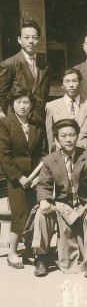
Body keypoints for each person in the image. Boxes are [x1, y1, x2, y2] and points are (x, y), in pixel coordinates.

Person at [32, 119, 87, 277]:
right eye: (63, 136)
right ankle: (42, 259)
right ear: (57, 139)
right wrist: (44, 200)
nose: (68, 139)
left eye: (72, 135)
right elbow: (43, 184)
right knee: (41, 213)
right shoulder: (49, 160)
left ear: (77, 136)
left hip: (83, 204)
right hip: (61, 205)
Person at [0, 89, 46, 268]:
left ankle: (28, 250)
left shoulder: (37, 124)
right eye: (18, 102)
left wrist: (38, 176)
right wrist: (20, 177)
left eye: (26, 102)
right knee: (20, 214)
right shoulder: (5, 124)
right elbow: (4, 155)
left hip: (34, 178)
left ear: (31, 105)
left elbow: (43, 152)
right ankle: (12, 252)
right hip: (16, 179)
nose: (22, 106)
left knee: (33, 213)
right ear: (12, 104)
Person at [0, 20, 51, 125]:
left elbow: (44, 95)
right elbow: (2, 96)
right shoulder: (9, 64)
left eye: (34, 37)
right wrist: (12, 118)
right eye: (26, 37)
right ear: (19, 40)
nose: (31, 41)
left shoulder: (45, 66)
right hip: (17, 121)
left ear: (39, 39)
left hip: (39, 121)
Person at [45, 68, 87, 152]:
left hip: (85, 155)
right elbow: (50, 139)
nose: (71, 85)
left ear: (79, 83)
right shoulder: (51, 107)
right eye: (67, 81)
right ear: (62, 85)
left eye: (74, 81)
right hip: (61, 155)